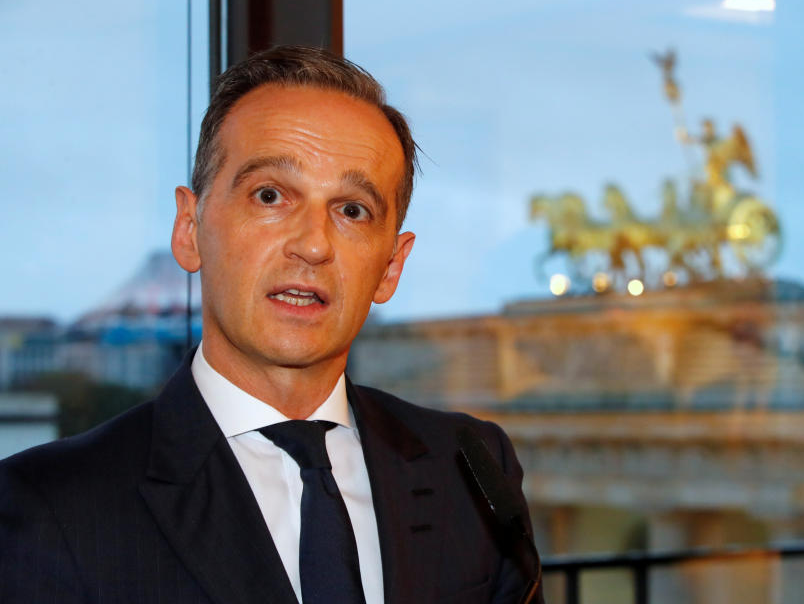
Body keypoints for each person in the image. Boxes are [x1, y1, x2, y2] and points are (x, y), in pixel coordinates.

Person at [0, 45, 541, 604]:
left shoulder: (472, 468)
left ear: (391, 266)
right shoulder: (48, 505)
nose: (312, 244)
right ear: (189, 228)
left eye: (352, 209)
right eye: (270, 195)